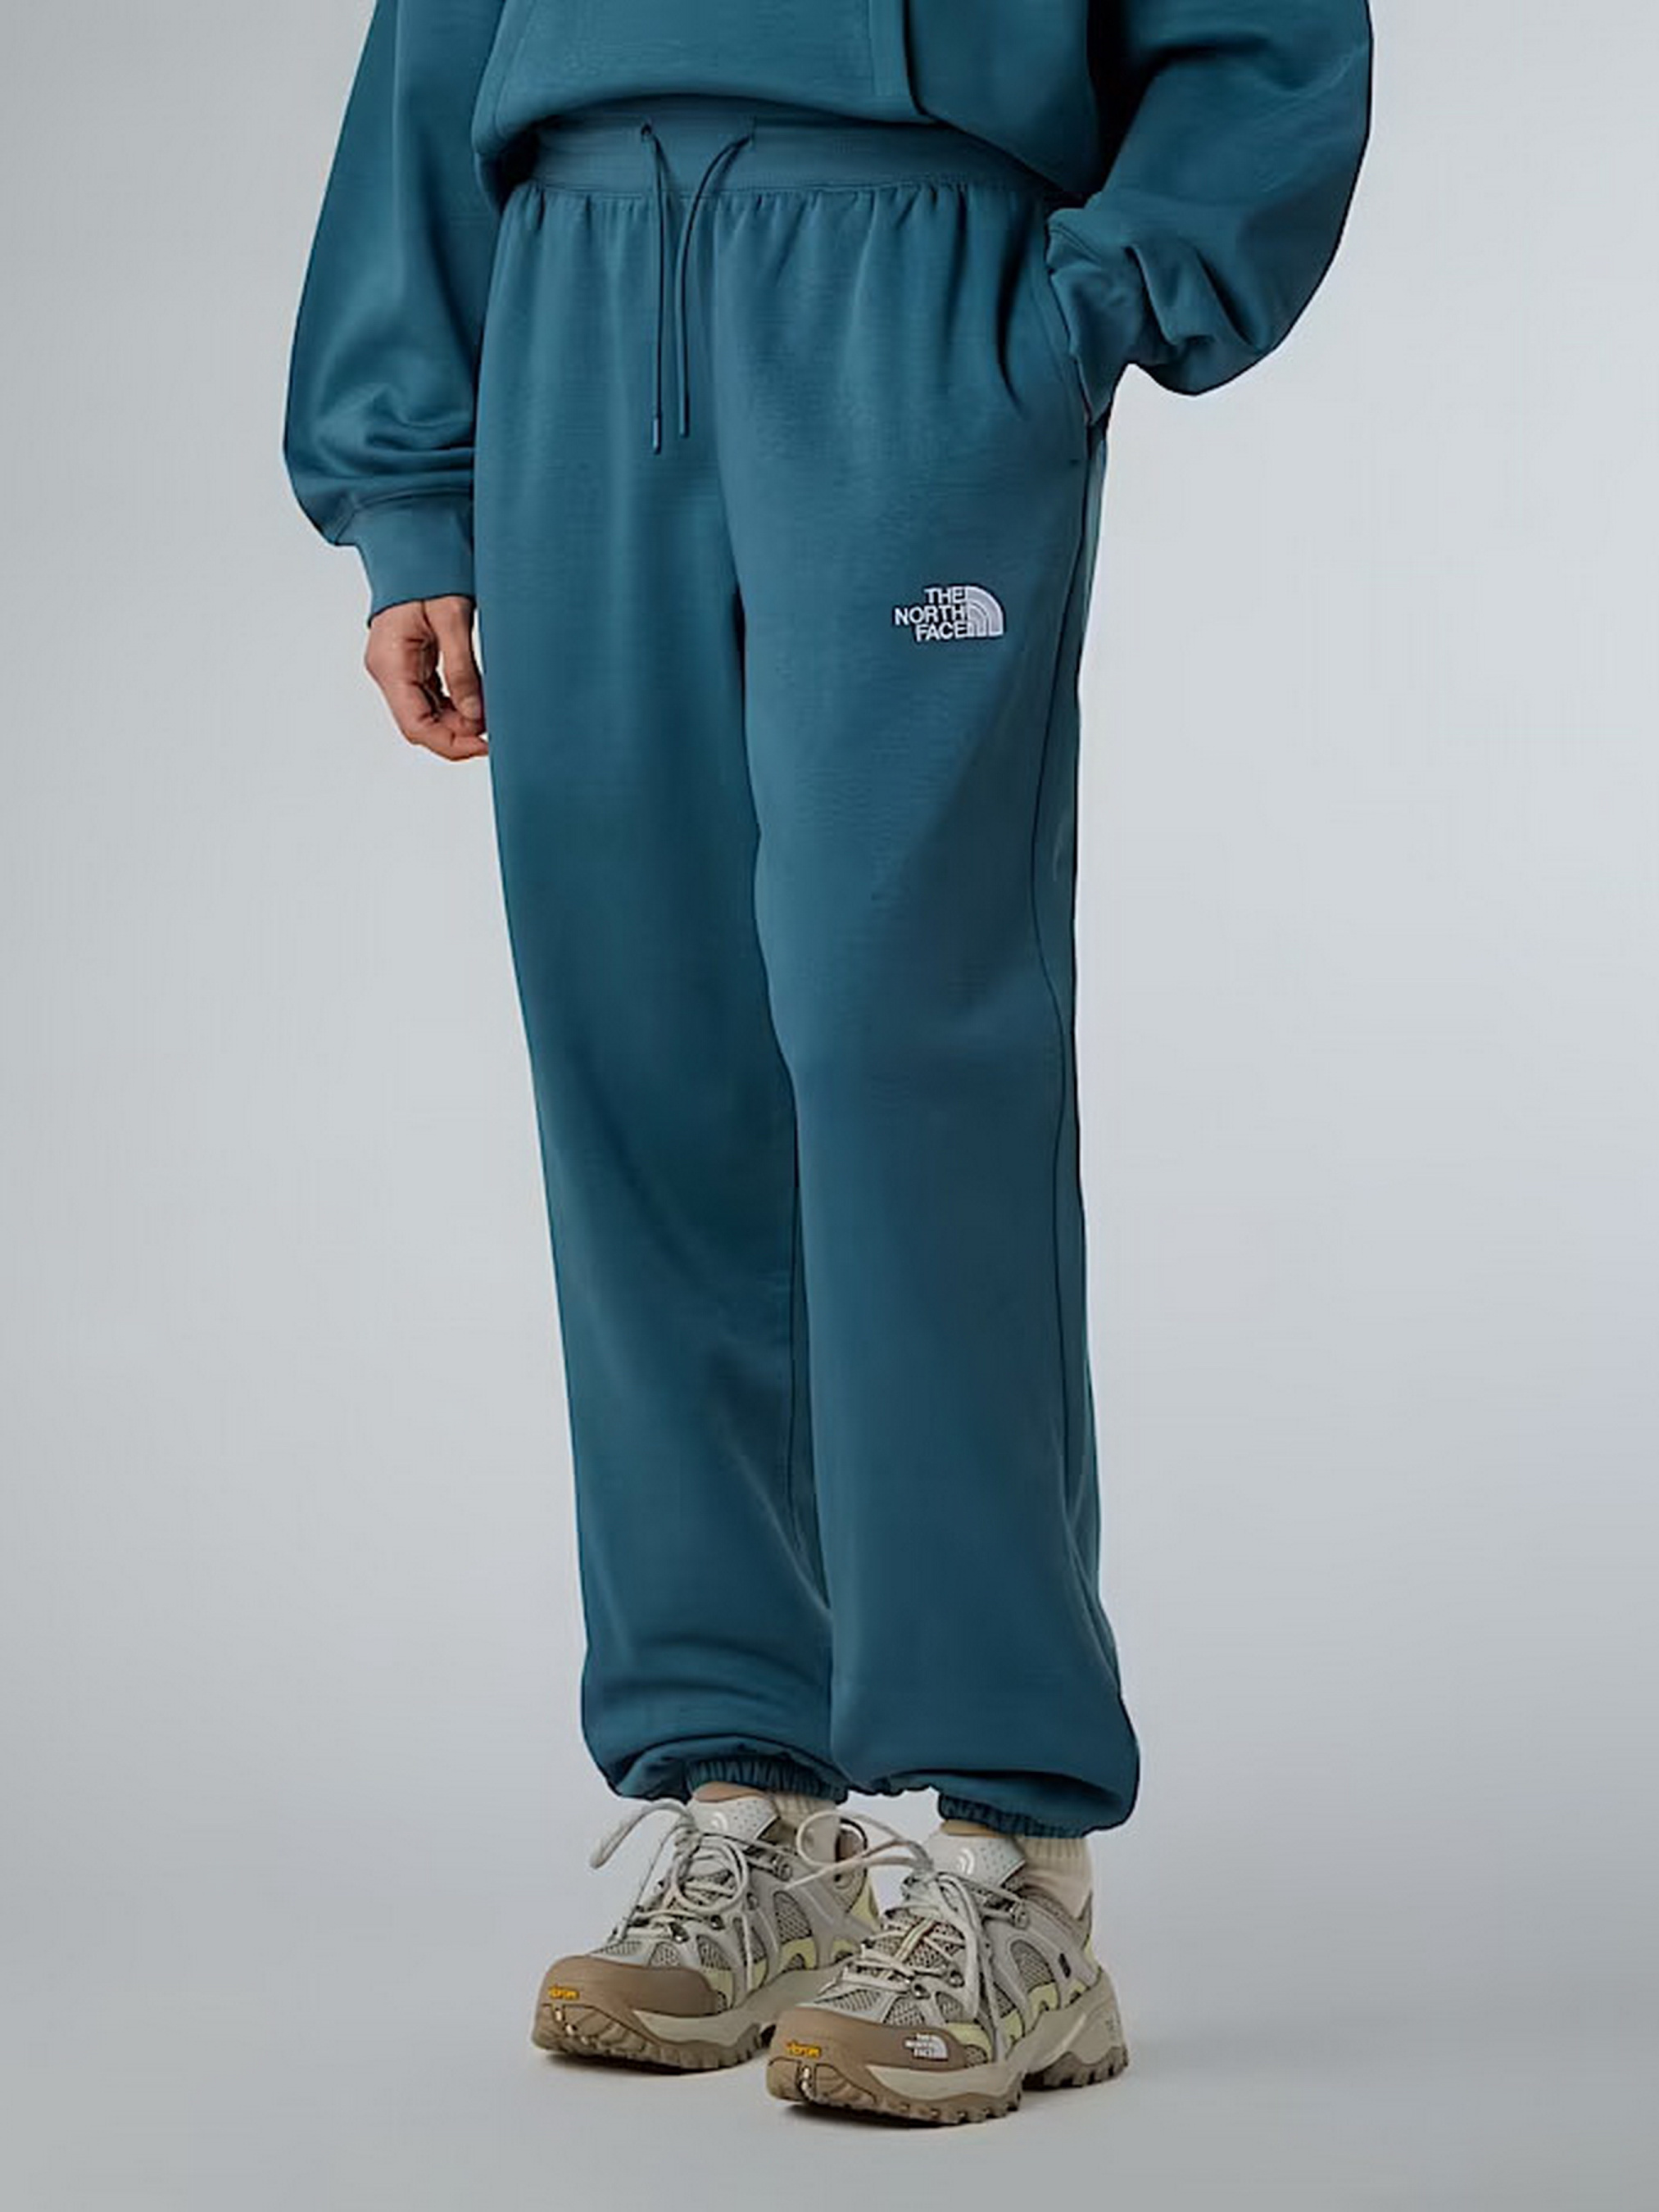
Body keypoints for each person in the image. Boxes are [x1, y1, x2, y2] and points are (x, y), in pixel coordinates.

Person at [284, 0, 1372, 2125]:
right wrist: (413, 483)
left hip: (907, 303)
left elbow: (1264, 37)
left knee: (900, 1062)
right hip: (577, 299)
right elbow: (434, 47)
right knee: (642, 1065)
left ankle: (1005, 1851)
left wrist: (1088, 300)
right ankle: (745, 1796)